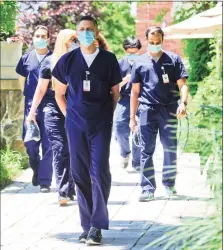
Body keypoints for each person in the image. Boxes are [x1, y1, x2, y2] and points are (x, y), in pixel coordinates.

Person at [52, 16, 121, 245]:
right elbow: (59, 94)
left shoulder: (109, 60)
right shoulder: (67, 60)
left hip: (100, 123)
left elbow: (115, 93)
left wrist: (105, 116)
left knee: (99, 170)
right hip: (75, 124)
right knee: (79, 172)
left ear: (97, 31)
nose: (85, 32)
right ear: (76, 33)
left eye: (89, 29)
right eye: (81, 29)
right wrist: (70, 116)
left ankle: (97, 224)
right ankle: (87, 225)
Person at [129, 26, 189, 202]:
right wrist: (132, 118)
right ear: (146, 40)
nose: (155, 45)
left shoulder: (173, 59)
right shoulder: (139, 62)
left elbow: (183, 85)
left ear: (163, 40)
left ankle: (169, 184)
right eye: (152, 42)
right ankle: (147, 188)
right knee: (146, 150)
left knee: (170, 148)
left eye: (158, 42)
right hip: (147, 110)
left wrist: (183, 103)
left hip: (169, 109)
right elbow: (134, 92)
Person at [26, 29, 78, 205]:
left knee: (73, 150)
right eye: (72, 40)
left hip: (75, 111)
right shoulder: (49, 62)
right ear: (63, 41)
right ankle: (63, 192)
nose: (75, 43)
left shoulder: (79, 61)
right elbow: (40, 90)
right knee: (60, 149)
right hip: (53, 111)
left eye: (76, 40)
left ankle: (70, 188)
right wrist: (32, 112)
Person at [16, 25, 53, 193]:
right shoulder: (26, 58)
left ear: (48, 38)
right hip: (30, 106)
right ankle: (37, 170)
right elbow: (20, 80)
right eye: (37, 36)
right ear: (33, 38)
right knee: (30, 144)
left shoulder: (55, 59)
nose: (39, 39)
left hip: (49, 106)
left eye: (43, 36)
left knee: (48, 144)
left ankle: (45, 181)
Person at [115, 36, 142, 172]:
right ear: (125, 50)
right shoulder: (120, 64)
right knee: (119, 128)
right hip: (124, 100)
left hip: (141, 100)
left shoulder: (144, 63)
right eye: (130, 53)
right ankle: (125, 152)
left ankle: (137, 162)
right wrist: (124, 81)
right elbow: (112, 86)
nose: (133, 55)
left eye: (135, 52)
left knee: (138, 130)